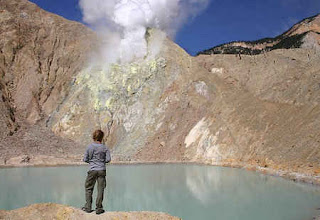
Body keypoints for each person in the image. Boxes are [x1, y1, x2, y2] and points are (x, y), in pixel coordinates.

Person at [82, 129, 111, 215]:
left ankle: (88, 207)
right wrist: (101, 162)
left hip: (92, 170)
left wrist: (92, 162)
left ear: (93, 137)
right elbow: (108, 159)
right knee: (100, 189)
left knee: (89, 188)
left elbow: (85, 159)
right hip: (102, 170)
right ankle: (99, 208)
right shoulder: (105, 147)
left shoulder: (89, 147)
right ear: (102, 138)